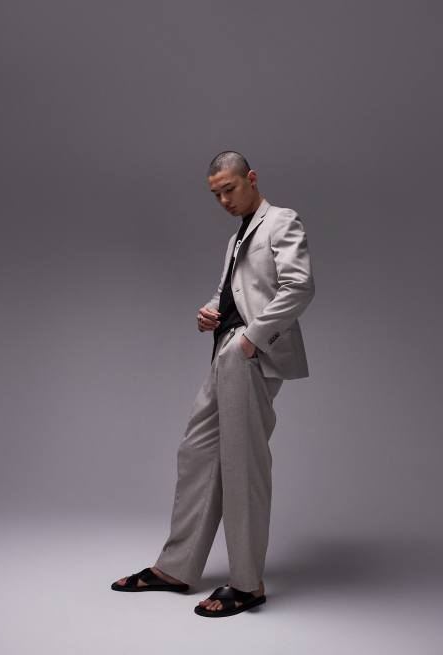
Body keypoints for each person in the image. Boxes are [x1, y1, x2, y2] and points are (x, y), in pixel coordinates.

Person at [111, 150, 315, 617]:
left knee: (242, 466)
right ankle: (176, 568)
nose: (224, 200)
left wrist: (252, 339)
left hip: (249, 354)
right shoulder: (236, 236)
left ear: (251, 178)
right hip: (226, 349)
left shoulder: (282, 221)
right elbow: (236, 293)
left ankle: (247, 584)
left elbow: (299, 286)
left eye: (229, 189)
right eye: (216, 194)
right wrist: (211, 311)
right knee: (197, 453)